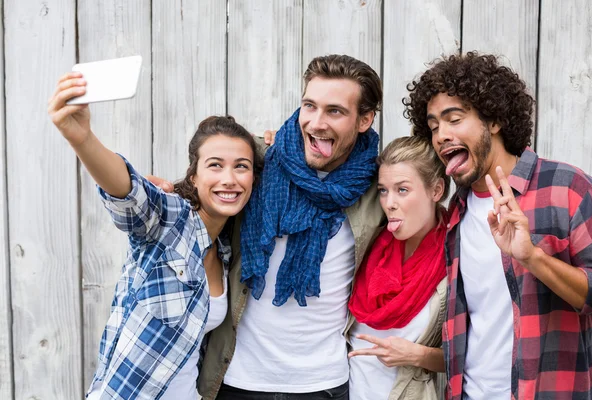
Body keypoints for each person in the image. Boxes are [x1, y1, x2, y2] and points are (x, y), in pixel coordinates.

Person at [47, 72, 262, 400]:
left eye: (242, 166)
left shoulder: (226, 251)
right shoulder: (170, 220)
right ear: (195, 174)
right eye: (215, 165)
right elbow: (128, 192)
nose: (229, 179)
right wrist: (82, 138)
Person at [404, 51, 592, 399]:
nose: (441, 135)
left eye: (454, 119)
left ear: (493, 120)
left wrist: (532, 258)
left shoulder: (568, 189)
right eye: (434, 126)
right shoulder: (457, 209)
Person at [193, 54, 386, 400]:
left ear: (365, 120)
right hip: (238, 379)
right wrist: (166, 191)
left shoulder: (378, 187)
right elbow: (207, 183)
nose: (316, 122)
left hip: (323, 384)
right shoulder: (260, 161)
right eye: (309, 106)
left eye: (335, 111)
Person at [346, 135, 449, 400]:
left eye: (402, 190)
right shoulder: (367, 243)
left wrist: (418, 355)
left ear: (436, 191)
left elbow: (475, 357)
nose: (389, 202)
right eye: (383, 190)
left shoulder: (455, 261)